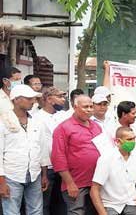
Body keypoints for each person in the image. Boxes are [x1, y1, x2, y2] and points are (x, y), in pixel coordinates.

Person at [0, 85, 49, 214]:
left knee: (37, 211)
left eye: (33, 98)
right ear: (16, 100)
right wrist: (1, 181)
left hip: (34, 174)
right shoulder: (3, 121)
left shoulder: (37, 121)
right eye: (28, 98)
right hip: (11, 174)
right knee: (11, 212)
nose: (32, 101)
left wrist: (44, 174)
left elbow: (42, 149)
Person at [52, 95, 102, 214]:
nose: (89, 109)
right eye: (85, 107)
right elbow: (58, 158)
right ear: (75, 107)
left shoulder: (96, 126)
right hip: (76, 182)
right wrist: (69, 183)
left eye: (91, 106)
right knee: (76, 212)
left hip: (96, 182)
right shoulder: (63, 128)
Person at [90, 127, 136, 215]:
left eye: (134, 138)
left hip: (131, 201)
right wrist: (103, 213)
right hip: (111, 204)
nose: (133, 142)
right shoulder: (106, 158)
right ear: (118, 141)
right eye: (129, 139)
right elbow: (94, 189)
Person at [35, 86, 68, 215]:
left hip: (64, 166)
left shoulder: (64, 116)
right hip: (46, 166)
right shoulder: (37, 118)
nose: (63, 100)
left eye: (63, 96)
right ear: (49, 99)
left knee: (62, 202)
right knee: (45, 203)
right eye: (59, 97)